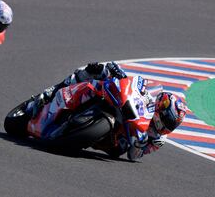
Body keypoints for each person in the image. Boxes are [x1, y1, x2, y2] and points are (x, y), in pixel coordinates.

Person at [31, 62, 186, 161]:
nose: (168, 125)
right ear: (162, 106)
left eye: (172, 124)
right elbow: (134, 85)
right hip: (117, 108)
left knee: (118, 149)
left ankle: (77, 134)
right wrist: (119, 74)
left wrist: (140, 146)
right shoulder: (149, 99)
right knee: (98, 72)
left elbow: (134, 156)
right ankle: (54, 92)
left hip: (114, 142)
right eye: (168, 119)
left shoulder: (158, 139)